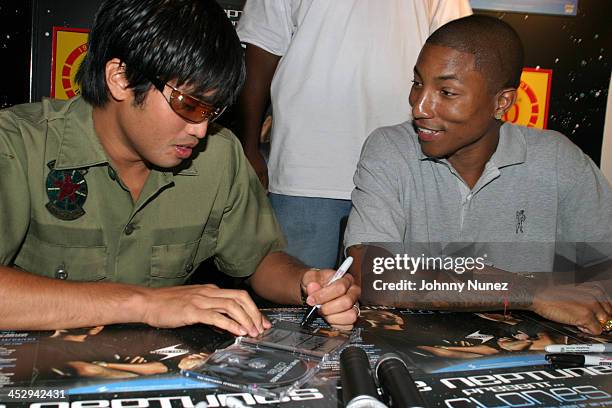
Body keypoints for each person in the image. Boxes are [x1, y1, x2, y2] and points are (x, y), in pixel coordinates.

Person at [0, 0, 359, 335]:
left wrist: (308, 283)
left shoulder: (217, 155)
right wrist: (144, 304)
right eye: (189, 104)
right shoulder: (19, 146)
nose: (200, 130)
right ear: (120, 78)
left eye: (212, 111)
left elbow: (259, 258)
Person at [344, 15, 612, 335]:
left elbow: (604, 270)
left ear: (502, 102)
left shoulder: (559, 161)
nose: (419, 107)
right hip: (414, 346)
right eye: (418, 84)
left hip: (524, 357)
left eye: (446, 92)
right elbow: (374, 272)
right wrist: (529, 292)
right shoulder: (390, 148)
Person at [236, 0, 472, 269]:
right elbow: (261, 51)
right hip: (308, 170)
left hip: (404, 171)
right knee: (298, 295)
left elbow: (460, 50)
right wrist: (249, 146)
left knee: (395, 302)